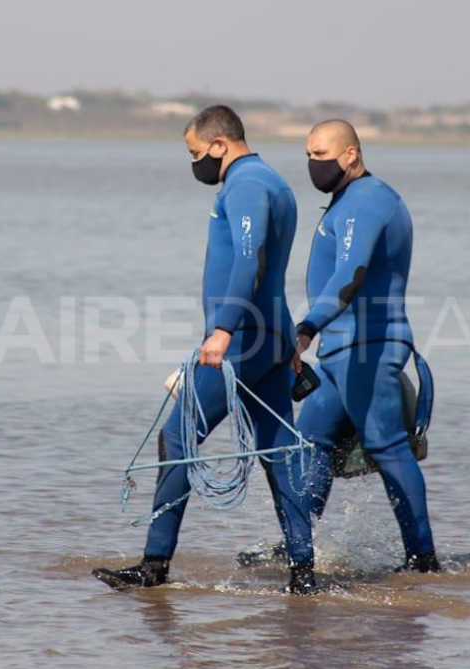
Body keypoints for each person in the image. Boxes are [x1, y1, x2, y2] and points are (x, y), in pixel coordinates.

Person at [92, 105, 319, 594]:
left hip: (241, 342)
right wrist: (285, 342)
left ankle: (154, 568)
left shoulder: (246, 185)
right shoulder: (272, 181)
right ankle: (304, 575)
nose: (194, 162)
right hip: (272, 337)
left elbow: (249, 258)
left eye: (196, 153)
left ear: (220, 144)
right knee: (279, 454)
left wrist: (222, 329)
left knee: (176, 438)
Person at [292, 119, 441, 573]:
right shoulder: (343, 202)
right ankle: (299, 549)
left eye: (320, 155)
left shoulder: (369, 200)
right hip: (339, 354)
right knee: (311, 439)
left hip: (369, 347)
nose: (312, 164)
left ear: (351, 155)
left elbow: (350, 273)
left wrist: (306, 327)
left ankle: (422, 559)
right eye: (308, 155)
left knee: (388, 445)